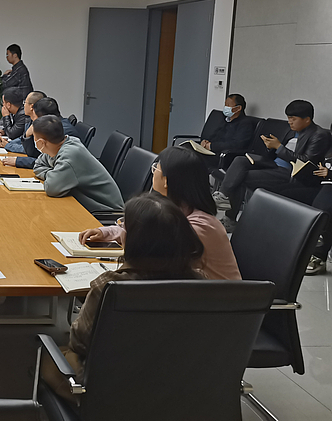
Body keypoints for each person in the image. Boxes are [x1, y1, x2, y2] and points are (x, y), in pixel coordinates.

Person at [41, 192, 204, 402]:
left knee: (48, 355)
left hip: (111, 389)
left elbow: (79, 342)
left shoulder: (111, 287)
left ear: (134, 240)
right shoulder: (201, 284)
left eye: (124, 227)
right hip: (180, 385)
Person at [80, 146, 241, 280]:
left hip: (222, 303)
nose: (153, 172)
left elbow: (148, 247)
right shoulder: (177, 211)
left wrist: (122, 235)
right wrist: (105, 232)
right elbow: (146, 230)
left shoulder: (200, 226)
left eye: (156, 168)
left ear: (166, 180)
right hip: (196, 295)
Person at [213, 99, 331, 227]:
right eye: (288, 118)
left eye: (293, 119)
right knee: (240, 160)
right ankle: (223, 195)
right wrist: (270, 146)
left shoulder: (319, 135)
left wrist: (279, 147)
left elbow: (305, 162)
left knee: (240, 177)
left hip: (290, 173)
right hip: (274, 165)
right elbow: (278, 151)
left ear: (307, 119)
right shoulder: (293, 131)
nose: (289, 122)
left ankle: (229, 219)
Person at [32, 115, 123, 211]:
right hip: (85, 202)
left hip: (106, 211)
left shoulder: (70, 154)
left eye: (34, 137)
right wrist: (54, 174)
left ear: (41, 142)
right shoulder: (60, 145)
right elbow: (38, 165)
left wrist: (55, 176)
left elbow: (51, 188)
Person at [2, 96, 76, 169]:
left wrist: (20, 161)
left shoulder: (60, 130)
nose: (33, 120)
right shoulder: (53, 125)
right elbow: (35, 154)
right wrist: (27, 135)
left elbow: (48, 163)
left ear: (42, 118)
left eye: (34, 117)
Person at [198, 94, 257, 169]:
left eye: (228, 105)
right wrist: (206, 141)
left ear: (238, 108)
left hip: (224, 156)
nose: (225, 107)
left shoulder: (245, 123)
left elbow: (237, 145)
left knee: (192, 159)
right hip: (212, 151)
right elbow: (216, 134)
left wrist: (212, 146)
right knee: (187, 150)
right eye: (225, 105)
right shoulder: (226, 120)